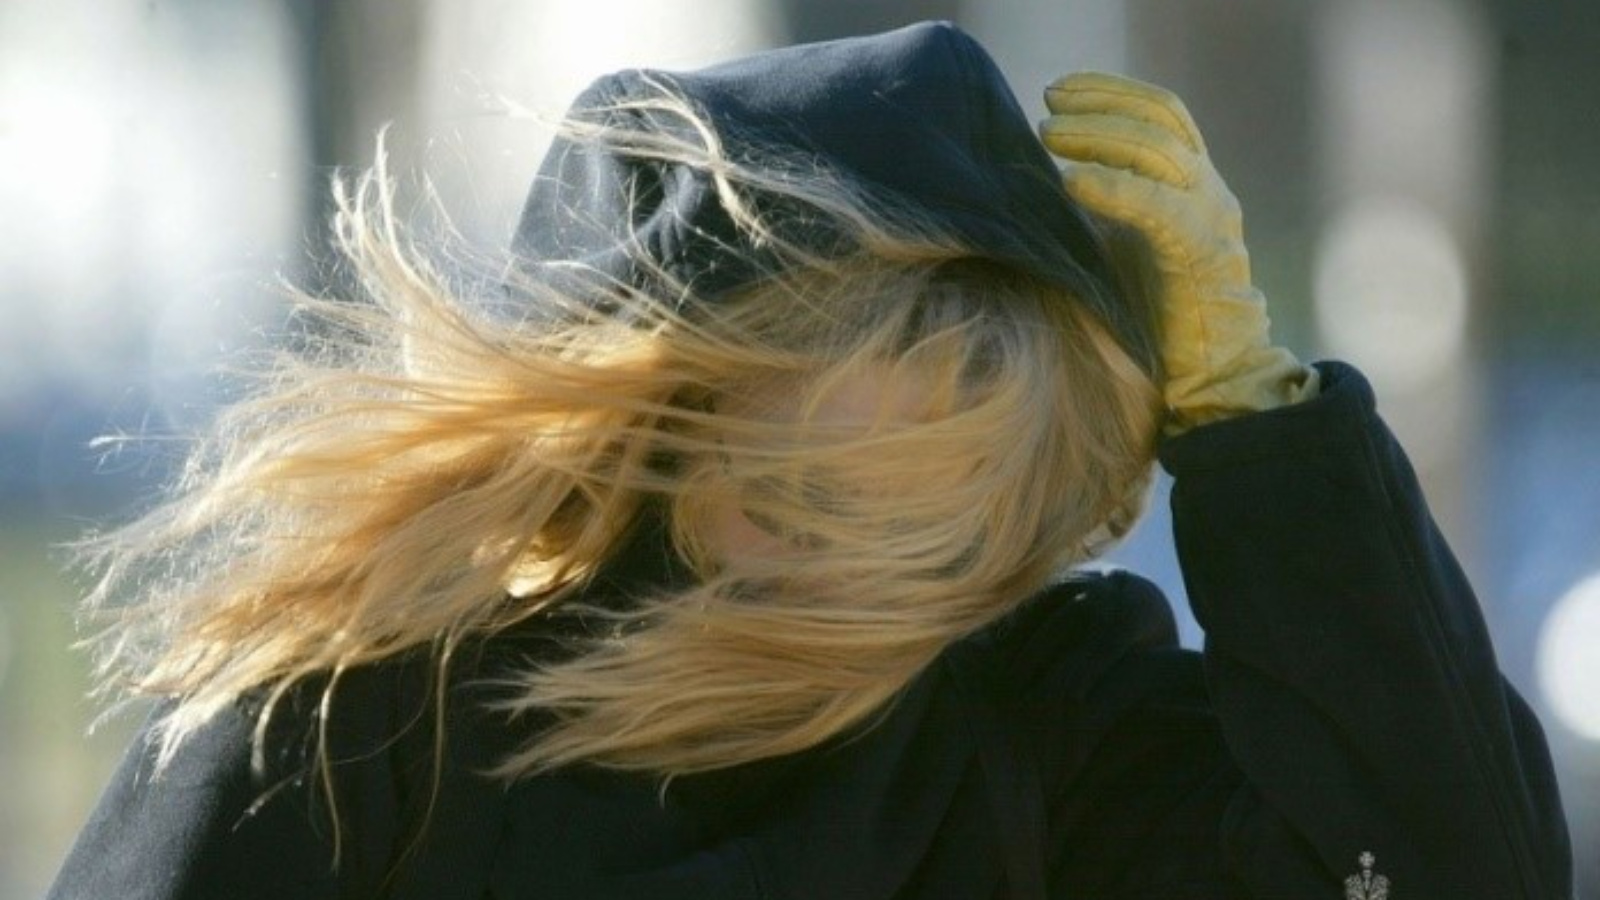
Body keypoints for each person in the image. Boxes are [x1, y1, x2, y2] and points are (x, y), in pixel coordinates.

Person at [49, 21, 1571, 900]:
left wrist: (1257, 420)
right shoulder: (359, 722)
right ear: (640, 440)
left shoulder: (1041, 722)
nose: (853, 574)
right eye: (795, 499)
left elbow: (1451, 873)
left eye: (935, 521)